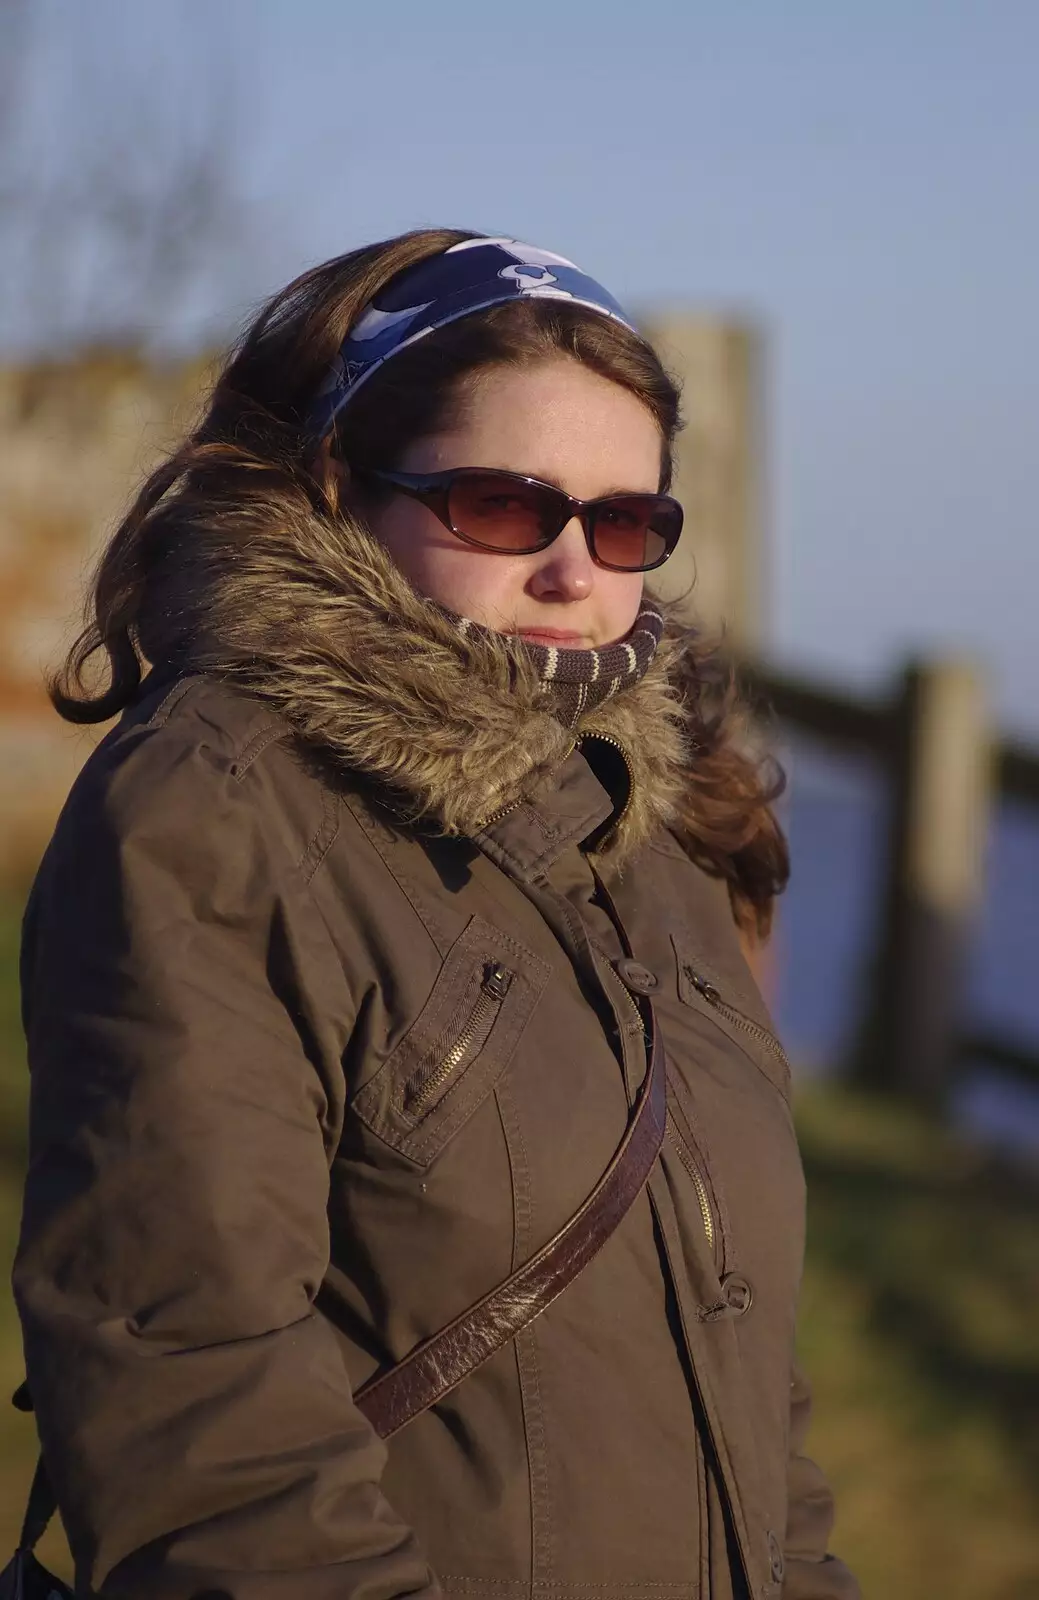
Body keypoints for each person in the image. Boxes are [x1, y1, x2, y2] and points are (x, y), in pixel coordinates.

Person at [14, 230, 859, 1600]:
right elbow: (181, 1382)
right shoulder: (215, 809)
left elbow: (751, 1364)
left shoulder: (656, 828)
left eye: (625, 524)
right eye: (503, 507)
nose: (574, 572)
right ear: (341, 490)